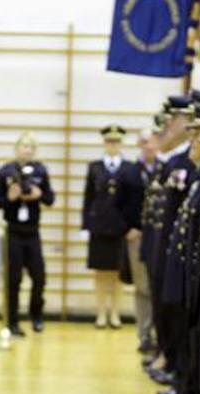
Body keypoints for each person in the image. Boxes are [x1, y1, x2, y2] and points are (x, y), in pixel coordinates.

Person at [0, 132, 54, 335]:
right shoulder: (5, 172)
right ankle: (12, 321)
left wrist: (40, 194)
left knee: (39, 277)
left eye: (31, 146)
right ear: (17, 148)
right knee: (13, 279)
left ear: (34, 151)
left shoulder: (41, 171)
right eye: (24, 145)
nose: (27, 149)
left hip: (33, 232)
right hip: (13, 232)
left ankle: (36, 316)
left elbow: (50, 200)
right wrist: (10, 197)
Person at [82, 124, 132, 328]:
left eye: (116, 141)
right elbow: (88, 198)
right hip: (99, 227)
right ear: (104, 143)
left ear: (121, 144)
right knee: (100, 272)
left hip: (120, 228)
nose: (113, 145)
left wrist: (131, 225)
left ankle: (115, 314)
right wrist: (85, 226)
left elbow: (132, 200)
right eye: (109, 141)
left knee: (118, 272)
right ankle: (101, 314)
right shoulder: (95, 167)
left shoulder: (129, 167)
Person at [123, 128, 162, 350]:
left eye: (153, 141)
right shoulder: (129, 171)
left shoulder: (165, 169)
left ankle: (158, 333)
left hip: (158, 235)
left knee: (158, 285)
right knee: (142, 287)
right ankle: (144, 334)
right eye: (145, 142)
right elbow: (116, 203)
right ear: (139, 144)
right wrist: (126, 228)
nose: (149, 146)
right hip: (137, 235)